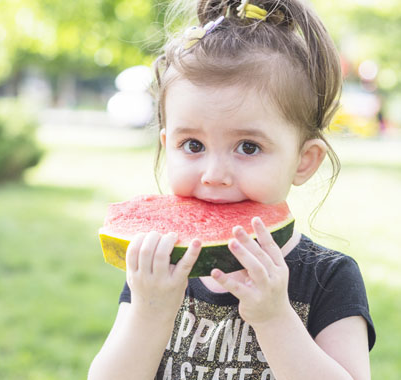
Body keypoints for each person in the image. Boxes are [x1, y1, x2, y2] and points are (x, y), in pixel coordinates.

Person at [88, 0, 375, 379]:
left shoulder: (329, 278)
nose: (214, 174)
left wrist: (275, 319)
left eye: (248, 147)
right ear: (165, 143)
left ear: (304, 161)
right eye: (192, 145)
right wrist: (149, 311)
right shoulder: (158, 268)